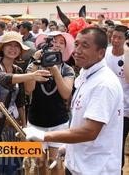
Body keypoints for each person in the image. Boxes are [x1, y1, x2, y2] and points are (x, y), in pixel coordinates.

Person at [20, 27, 124, 175]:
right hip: (80, 164)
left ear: (101, 52)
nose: (77, 50)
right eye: (76, 44)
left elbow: (90, 131)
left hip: (96, 169)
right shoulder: (86, 76)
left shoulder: (103, 84)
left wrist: (44, 136)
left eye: (85, 46)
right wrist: (69, 147)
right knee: (40, 164)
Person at [0, 31, 51, 174]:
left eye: (16, 46)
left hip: (13, 126)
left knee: (15, 164)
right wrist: (32, 75)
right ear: (2, 48)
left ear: (20, 51)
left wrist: (23, 126)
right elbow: (3, 78)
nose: (13, 49)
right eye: (9, 45)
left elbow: (21, 101)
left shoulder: (19, 70)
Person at [25, 31, 75, 175]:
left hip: (58, 124)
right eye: (53, 41)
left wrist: (54, 70)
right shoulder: (35, 65)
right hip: (36, 122)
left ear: (65, 48)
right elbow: (29, 90)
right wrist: (35, 63)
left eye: (61, 42)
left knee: (56, 164)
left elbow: (66, 94)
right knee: (39, 163)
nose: (56, 45)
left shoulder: (67, 69)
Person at [105, 25, 129, 172]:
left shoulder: (128, 54)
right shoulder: (105, 53)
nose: (115, 40)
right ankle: (117, 170)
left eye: (119, 37)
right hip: (115, 110)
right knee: (116, 144)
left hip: (128, 106)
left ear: (125, 39)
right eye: (113, 37)